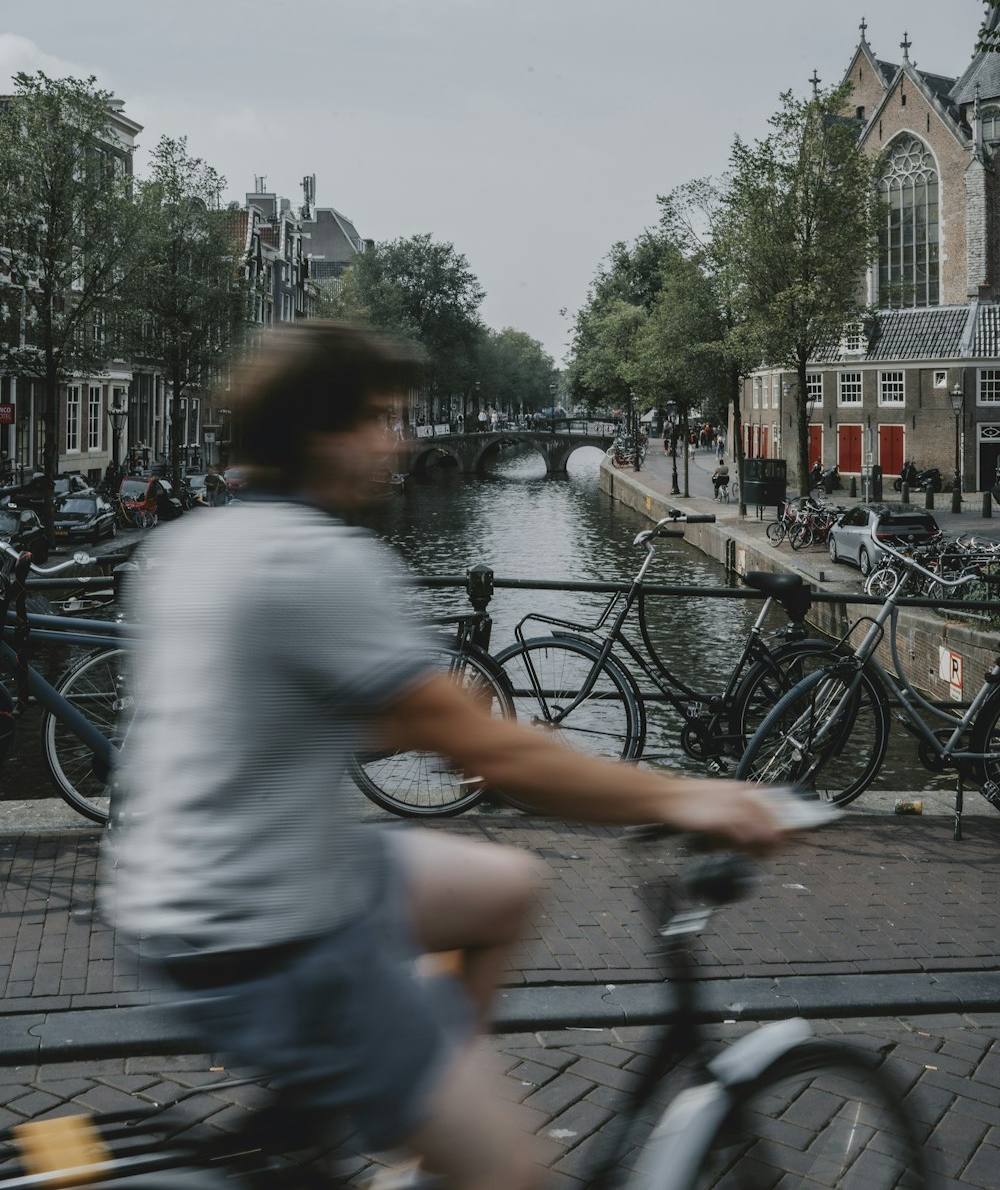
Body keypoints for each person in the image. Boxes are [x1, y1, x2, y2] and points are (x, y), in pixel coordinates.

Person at [102, 322, 786, 1190]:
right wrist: (691, 799)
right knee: (517, 1178)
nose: (405, 440)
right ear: (325, 433)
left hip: (171, 892)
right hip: (269, 932)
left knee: (506, 887)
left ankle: (410, 1123)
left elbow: (292, 706)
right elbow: (506, 760)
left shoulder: (193, 544)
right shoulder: (321, 562)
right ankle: (437, 1116)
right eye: (384, 419)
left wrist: (418, 710)